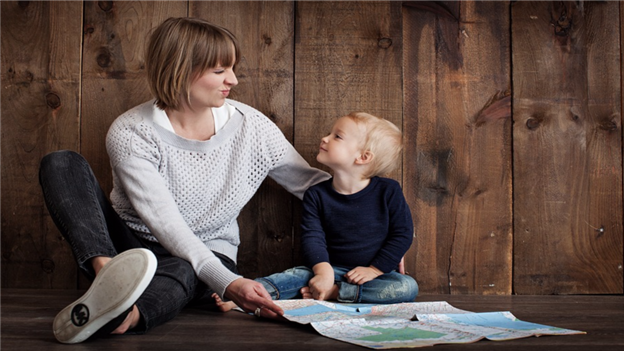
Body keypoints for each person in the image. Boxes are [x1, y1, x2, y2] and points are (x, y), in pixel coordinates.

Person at [39, 17, 329, 344]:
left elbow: (314, 186)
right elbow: (165, 223)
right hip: (128, 245)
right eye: (219, 71)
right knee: (61, 163)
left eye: (232, 68)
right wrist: (231, 284)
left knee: (184, 267)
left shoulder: (254, 128)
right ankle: (109, 277)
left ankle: (124, 315)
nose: (232, 80)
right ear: (180, 70)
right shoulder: (131, 132)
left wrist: (381, 235)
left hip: (206, 252)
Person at [215, 112, 417, 311]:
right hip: (328, 268)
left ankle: (336, 294)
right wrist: (323, 272)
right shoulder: (317, 194)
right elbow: (313, 237)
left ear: (363, 157)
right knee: (294, 277)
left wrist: (375, 269)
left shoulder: (388, 191)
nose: (325, 138)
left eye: (337, 136)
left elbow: (402, 233)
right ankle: (241, 296)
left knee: (407, 287)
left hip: (373, 276)